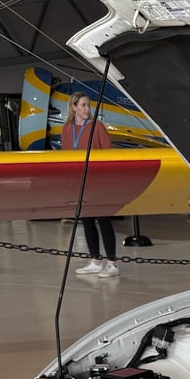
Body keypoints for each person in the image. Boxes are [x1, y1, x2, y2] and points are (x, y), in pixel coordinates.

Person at [60, 93, 117, 278]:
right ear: (74, 107)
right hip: (79, 182)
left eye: (88, 105)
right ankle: (95, 261)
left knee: (104, 221)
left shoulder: (97, 126)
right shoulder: (67, 129)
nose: (87, 109)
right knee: (87, 221)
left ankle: (112, 264)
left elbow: (107, 153)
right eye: (83, 105)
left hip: (98, 182)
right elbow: (65, 157)